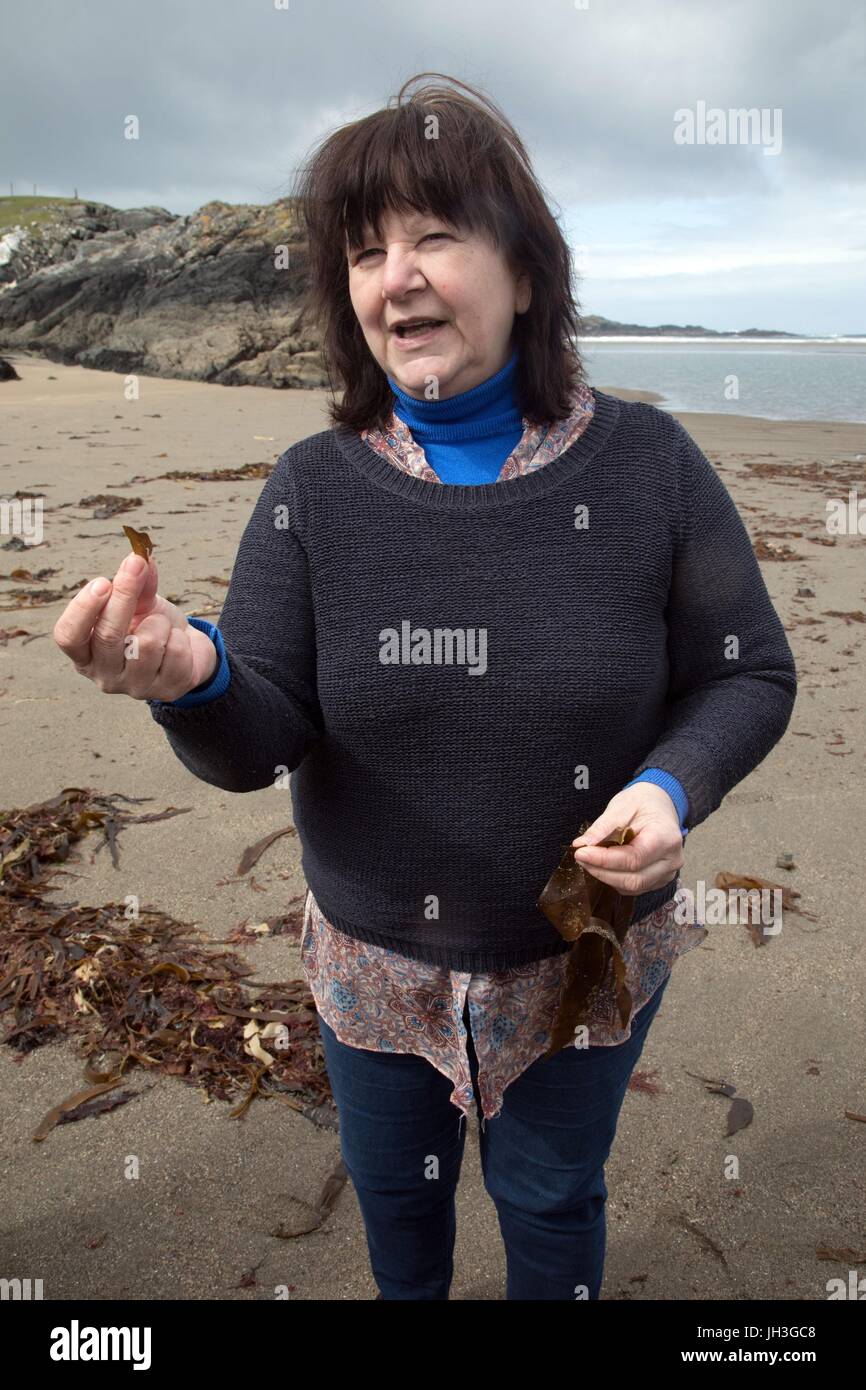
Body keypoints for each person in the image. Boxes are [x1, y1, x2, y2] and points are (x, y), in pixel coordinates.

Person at [54, 72, 798, 1301]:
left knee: (552, 1196)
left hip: (578, 961)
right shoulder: (312, 489)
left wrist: (672, 786)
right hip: (372, 972)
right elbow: (261, 733)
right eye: (364, 251)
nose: (393, 274)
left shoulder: (650, 467)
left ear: (524, 267)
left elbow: (748, 672)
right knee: (398, 1204)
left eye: (434, 236)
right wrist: (191, 674)